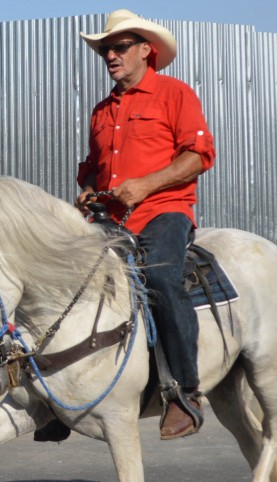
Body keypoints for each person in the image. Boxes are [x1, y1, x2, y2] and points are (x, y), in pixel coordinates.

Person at [76, 9, 215, 440]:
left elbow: (199, 157)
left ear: (145, 50)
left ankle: (183, 393)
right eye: (105, 50)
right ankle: (60, 394)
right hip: (112, 219)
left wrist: (145, 186)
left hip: (164, 211)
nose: (110, 56)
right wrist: (86, 188)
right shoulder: (102, 110)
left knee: (162, 279)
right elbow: (92, 168)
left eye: (118, 48)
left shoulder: (175, 94)